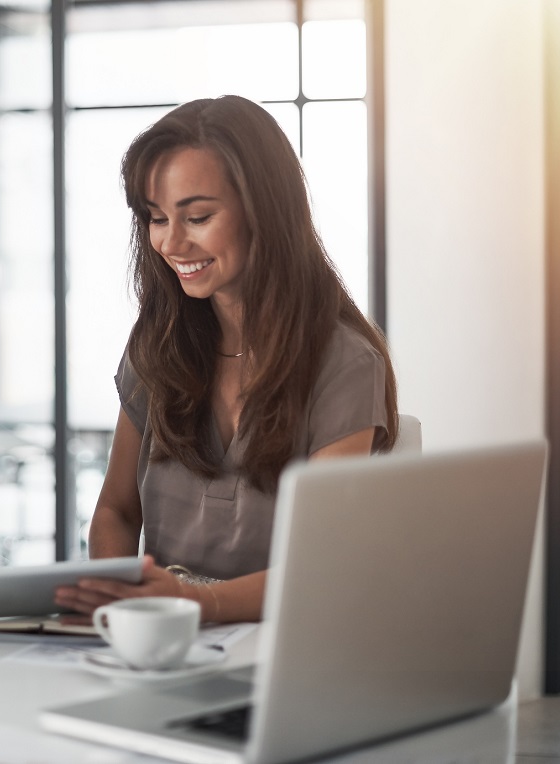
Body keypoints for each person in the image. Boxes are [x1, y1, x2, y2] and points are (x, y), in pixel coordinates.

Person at [55, 95, 398, 624]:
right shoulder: (158, 342)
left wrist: (196, 604)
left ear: (264, 209)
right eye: (156, 217)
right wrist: (122, 609)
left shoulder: (344, 364)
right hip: (164, 642)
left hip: (281, 644)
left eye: (197, 216)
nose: (171, 242)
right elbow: (117, 511)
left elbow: (320, 564)